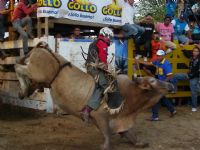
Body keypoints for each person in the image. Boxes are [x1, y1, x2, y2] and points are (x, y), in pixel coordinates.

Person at [81, 27, 114, 122]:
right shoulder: (102, 43)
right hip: (94, 68)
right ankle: (87, 109)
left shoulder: (96, 42)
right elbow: (102, 59)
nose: (110, 39)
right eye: (109, 37)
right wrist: (107, 69)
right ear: (105, 34)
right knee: (104, 85)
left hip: (92, 66)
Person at [135, 50, 177, 121]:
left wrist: (162, 83)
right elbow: (148, 63)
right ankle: (172, 110)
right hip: (160, 82)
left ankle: (155, 116)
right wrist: (139, 61)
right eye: (157, 56)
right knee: (161, 98)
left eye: (159, 56)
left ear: (163, 56)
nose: (158, 57)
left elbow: (170, 76)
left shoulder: (166, 64)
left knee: (155, 98)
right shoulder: (157, 61)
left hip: (164, 83)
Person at [170, 47, 200, 112]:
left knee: (193, 92)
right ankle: (174, 89)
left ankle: (194, 106)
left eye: (196, 51)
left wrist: (191, 76)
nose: (195, 52)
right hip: (188, 75)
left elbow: (198, 71)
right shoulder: (192, 57)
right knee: (175, 76)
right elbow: (187, 54)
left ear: (199, 52)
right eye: (194, 51)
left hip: (195, 77)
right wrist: (183, 49)